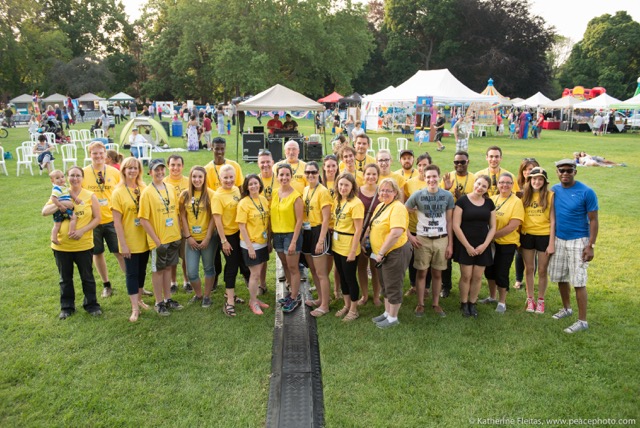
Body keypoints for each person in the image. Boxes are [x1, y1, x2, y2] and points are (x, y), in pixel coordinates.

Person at [42, 166, 103, 320]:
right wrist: (62, 203)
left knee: (87, 277)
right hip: (62, 246)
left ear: (82, 178)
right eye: (71, 175)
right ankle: (67, 307)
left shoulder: (90, 196)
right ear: (67, 177)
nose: (75, 178)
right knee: (65, 279)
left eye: (78, 175)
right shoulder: (60, 192)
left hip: (83, 245)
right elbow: (44, 212)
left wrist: (82, 231)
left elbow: (97, 218)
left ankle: (92, 305)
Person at [549, 159, 598, 333]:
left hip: (579, 240)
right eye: (561, 170)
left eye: (569, 170)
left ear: (575, 172)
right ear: (557, 172)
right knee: (561, 277)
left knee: (578, 281)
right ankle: (567, 308)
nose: (565, 173)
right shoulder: (554, 190)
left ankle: (582, 321)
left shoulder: (586, 192)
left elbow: (594, 220)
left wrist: (591, 245)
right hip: (559, 239)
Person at [405, 164, 454, 317]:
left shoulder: (447, 196)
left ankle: (436, 304)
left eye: (434, 176)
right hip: (422, 240)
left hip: (441, 239)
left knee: (437, 274)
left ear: (438, 177)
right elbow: (402, 212)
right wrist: (409, 235)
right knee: (421, 273)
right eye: (428, 177)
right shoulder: (418, 195)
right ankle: (420, 304)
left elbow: (449, 221)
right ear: (424, 178)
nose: (431, 179)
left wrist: (450, 244)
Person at [139, 159, 184, 316]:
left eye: (161, 169)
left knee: (168, 268)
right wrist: (156, 241)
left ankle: (168, 298)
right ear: (150, 172)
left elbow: (175, 211)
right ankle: (159, 302)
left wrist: (178, 232)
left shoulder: (170, 188)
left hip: (173, 237)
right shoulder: (147, 193)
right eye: (156, 170)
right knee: (158, 270)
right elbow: (143, 219)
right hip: (159, 240)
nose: (159, 172)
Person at [82, 141, 126, 298]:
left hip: (112, 219)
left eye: (101, 153)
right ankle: (106, 285)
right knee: (97, 253)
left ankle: (134, 284)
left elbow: (122, 193)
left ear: (105, 155)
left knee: (120, 252)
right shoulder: (84, 173)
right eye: (95, 153)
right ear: (90, 155)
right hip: (92, 221)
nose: (98, 156)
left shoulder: (114, 172)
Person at [367, 178, 411, 329]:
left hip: (394, 252)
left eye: (388, 190)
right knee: (385, 284)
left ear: (395, 193)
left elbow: (396, 233)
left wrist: (381, 252)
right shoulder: (381, 205)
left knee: (393, 285)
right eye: (382, 190)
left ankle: (393, 318)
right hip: (382, 254)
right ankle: (387, 313)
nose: (384, 193)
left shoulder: (398, 208)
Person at [111, 157, 151, 322]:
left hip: (145, 239)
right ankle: (134, 308)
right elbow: (117, 222)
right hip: (129, 240)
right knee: (132, 273)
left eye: (135, 168)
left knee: (142, 271)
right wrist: (123, 244)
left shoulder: (144, 188)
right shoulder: (118, 192)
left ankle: (139, 300)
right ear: (123, 170)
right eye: (129, 168)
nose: (133, 171)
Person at [479, 172, 524, 313]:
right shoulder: (492, 199)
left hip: (507, 243)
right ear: (497, 184)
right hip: (490, 243)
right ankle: (492, 296)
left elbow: (512, 226)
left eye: (508, 183)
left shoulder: (516, 202)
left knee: (501, 272)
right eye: (502, 182)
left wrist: (491, 236)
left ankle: (502, 301)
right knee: (489, 270)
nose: (504, 185)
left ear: (512, 185)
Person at [452, 175, 496, 318]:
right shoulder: (462, 201)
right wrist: (467, 246)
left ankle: (472, 303)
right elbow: (456, 226)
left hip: (482, 245)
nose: (480, 187)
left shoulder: (489, 203)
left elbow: (493, 227)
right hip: (465, 244)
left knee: (477, 277)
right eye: (478, 184)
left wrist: (485, 245)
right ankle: (464, 303)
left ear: (487, 189)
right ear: (474, 183)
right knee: (466, 276)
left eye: (484, 186)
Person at [212, 164, 248, 317]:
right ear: (220, 178)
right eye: (225, 178)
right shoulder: (217, 196)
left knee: (238, 263)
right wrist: (224, 241)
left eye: (231, 177)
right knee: (232, 265)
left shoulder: (236, 190)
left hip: (239, 233)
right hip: (227, 236)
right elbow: (217, 221)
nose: (228, 180)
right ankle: (229, 302)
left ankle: (229, 293)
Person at [179, 166, 217, 309]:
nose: (197, 179)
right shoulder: (184, 195)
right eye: (194, 176)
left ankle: (206, 296)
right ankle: (198, 294)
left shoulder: (211, 195)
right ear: (190, 178)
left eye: (200, 177)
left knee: (208, 267)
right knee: (191, 272)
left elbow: (214, 217)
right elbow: (182, 216)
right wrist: (188, 236)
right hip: (191, 239)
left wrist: (207, 238)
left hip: (208, 238)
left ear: (205, 178)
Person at [298, 162, 333, 317]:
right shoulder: (306, 189)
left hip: (318, 231)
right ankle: (320, 299)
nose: (310, 175)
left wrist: (320, 240)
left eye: (313, 172)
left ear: (318, 173)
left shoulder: (323, 192)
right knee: (312, 269)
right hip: (307, 231)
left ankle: (325, 305)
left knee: (321, 272)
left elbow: (326, 219)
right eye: (307, 172)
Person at [520, 167, 555, 314]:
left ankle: (541, 300)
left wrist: (551, 243)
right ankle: (530, 298)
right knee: (529, 268)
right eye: (534, 179)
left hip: (544, 235)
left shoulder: (550, 195)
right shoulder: (523, 195)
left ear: (545, 181)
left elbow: (553, 220)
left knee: (542, 270)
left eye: (540, 179)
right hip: (527, 234)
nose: (537, 182)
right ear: (529, 180)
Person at [331, 173, 364, 321]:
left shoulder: (356, 203)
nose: (343, 188)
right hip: (337, 245)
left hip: (349, 246)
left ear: (352, 187)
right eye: (341, 184)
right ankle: (346, 305)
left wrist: (352, 251)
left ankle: (354, 309)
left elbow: (358, 230)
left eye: (346, 185)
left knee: (350, 278)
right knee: (342, 277)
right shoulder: (337, 200)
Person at [271, 164, 304, 313]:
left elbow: (299, 220)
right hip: (277, 235)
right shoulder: (274, 193)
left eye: (287, 175)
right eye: (281, 175)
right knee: (285, 265)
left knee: (293, 267)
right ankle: (291, 293)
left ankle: (295, 297)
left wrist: (293, 241)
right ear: (277, 177)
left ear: (291, 176)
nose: (284, 177)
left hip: (290, 235)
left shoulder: (296, 196)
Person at [237, 174, 271, 315]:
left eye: (256, 183)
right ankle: (252, 301)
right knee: (255, 274)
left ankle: (256, 299)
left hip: (262, 242)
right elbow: (241, 226)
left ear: (260, 185)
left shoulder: (263, 200)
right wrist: (250, 247)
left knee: (258, 273)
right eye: (250, 184)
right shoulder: (244, 203)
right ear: (246, 187)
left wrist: (268, 241)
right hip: (251, 244)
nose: (253, 186)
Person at [404, 153, 432, 297]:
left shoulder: (434, 182)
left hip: (428, 228)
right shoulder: (409, 183)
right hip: (413, 227)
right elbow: (404, 205)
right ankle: (413, 285)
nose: (422, 168)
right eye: (419, 165)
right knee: (413, 259)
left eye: (425, 165)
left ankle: (426, 286)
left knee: (427, 259)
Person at [164, 155, 191, 293]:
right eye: (173, 165)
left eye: (178, 165)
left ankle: (187, 281)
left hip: (186, 225)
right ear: (168, 166)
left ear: (183, 166)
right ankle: (173, 282)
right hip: (170, 226)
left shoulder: (188, 182)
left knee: (186, 256)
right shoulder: (163, 182)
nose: (175, 168)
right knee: (172, 257)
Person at [356, 163, 382, 306]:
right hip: (359, 233)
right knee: (361, 266)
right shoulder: (357, 191)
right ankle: (364, 295)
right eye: (368, 174)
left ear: (378, 176)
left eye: (374, 174)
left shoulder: (382, 191)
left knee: (375, 266)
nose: (371, 177)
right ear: (363, 175)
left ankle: (377, 296)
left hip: (377, 234)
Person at [513, 158, 540, 289]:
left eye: (531, 169)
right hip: (518, 223)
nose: (528, 172)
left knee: (532, 253)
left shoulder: (539, 186)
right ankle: (518, 279)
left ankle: (530, 279)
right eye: (525, 169)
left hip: (533, 225)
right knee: (519, 252)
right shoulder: (517, 186)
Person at [48, 170, 78, 245]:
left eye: (62, 177)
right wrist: (60, 206)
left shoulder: (64, 187)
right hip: (63, 208)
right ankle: (71, 232)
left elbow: (70, 193)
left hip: (62, 208)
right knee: (73, 217)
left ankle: (54, 238)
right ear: (52, 181)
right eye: (57, 178)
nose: (61, 179)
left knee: (57, 224)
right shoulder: (57, 188)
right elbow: (53, 198)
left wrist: (77, 199)